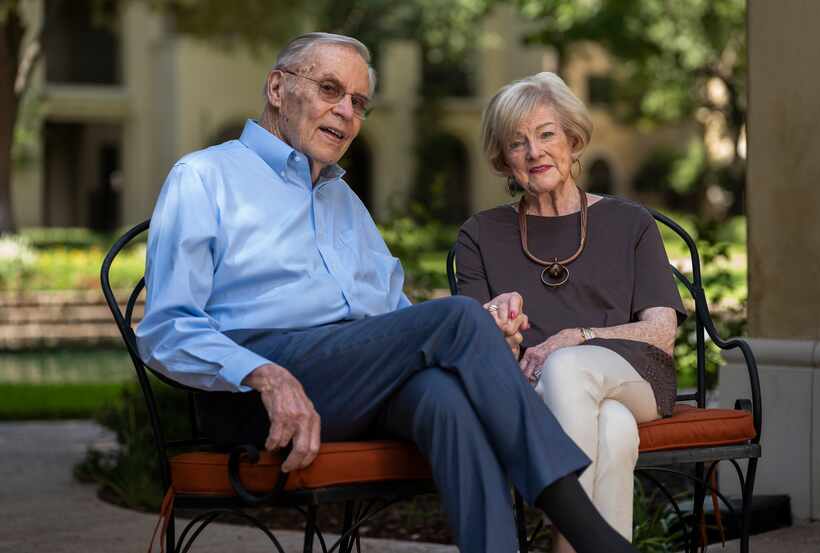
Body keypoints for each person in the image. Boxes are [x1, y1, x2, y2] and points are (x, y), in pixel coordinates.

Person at [137, 33, 640, 553]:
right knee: (458, 318)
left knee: (444, 398)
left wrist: (479, 341)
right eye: (330, 89)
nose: (346, 111)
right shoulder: (205, 176)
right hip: (253, 388)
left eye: (358, 102)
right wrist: (262, 372)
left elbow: (394, 323)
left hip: (346, 381)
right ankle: (592, 536)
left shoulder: (343, 200)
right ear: (277, 87)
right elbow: (166, 329)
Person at [456, 72, 686, 551]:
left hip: (637, 376)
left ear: (573, 139)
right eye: (517, 143)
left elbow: (662, 331)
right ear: (503, 159)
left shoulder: (629, 222)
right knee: (615, 431)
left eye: (546, 134)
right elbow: (477, 347)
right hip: (535, 392)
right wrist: (503, 328)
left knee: (566, 364)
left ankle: (564, 542)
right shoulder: (480, 234)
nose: (534, 152)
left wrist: (576, 336)